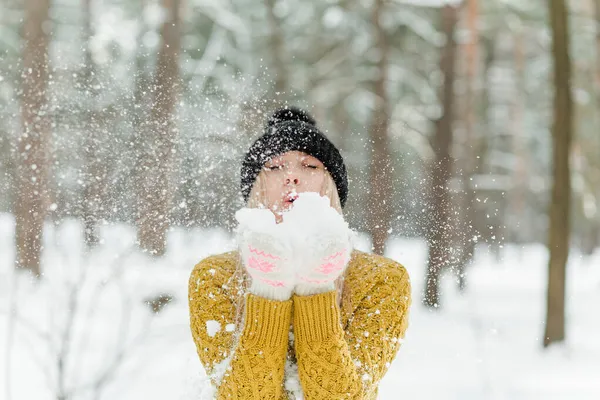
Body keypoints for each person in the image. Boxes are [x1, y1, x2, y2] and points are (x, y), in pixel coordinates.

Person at [188, 107, 411, 400]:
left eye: (310, 166)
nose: (291, 176)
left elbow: (340, 396)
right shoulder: (214, 277)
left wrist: (316, 286)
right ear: (258, 186)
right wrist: (269, 288)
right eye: (276, 167)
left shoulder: (382, 281)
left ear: (329, 184)